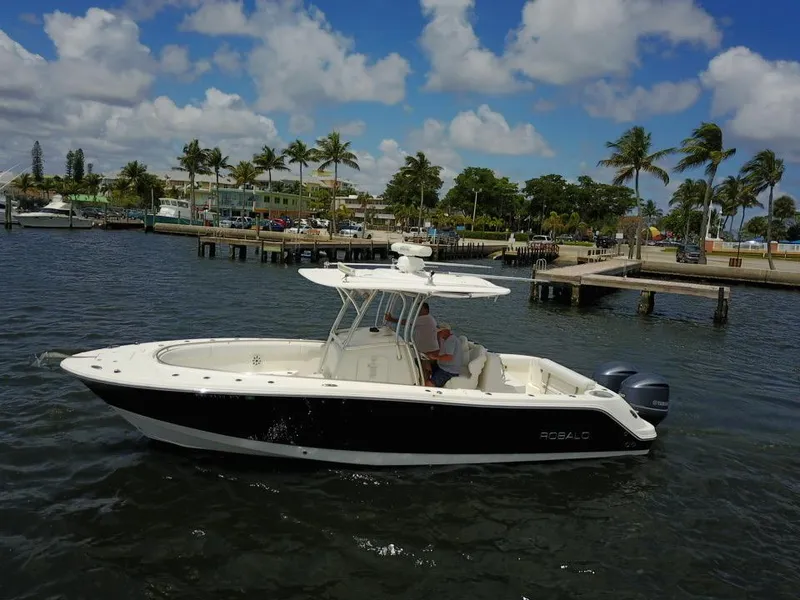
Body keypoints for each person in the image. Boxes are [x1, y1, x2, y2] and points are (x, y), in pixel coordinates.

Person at [426, 322, 462, 387]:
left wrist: (435, 357)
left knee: (429, 384)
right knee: (425, 364)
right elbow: (440, 351)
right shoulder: (444, 339)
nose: (437, 333)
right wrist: (429, 353)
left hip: (449, 371)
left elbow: (448, 357)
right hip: (442, 366)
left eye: (439, 332)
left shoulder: (451, 340)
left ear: (446, 331)